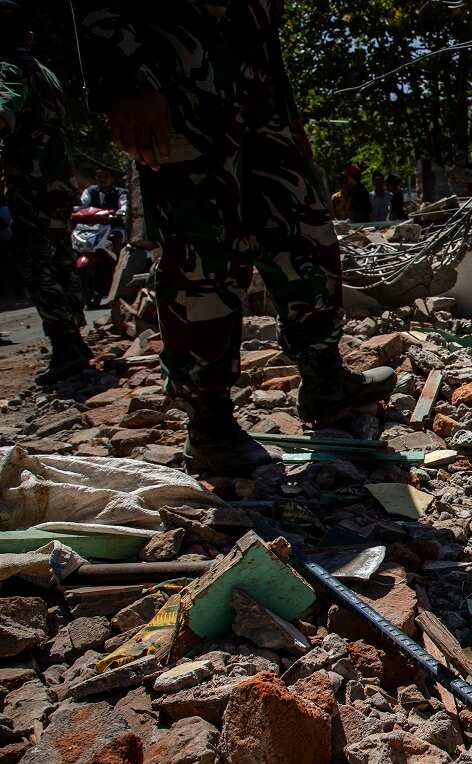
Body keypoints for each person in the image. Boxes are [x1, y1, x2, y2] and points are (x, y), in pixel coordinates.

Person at [79, 1, 396, 477]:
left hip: (258, 77)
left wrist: (287, 115)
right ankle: (209, 421)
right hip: (178, 75)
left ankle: (324, 377)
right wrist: (124, 79)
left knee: (304, 229)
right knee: (204, 248)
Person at [0, 0, 91, 385]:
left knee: (35, 260)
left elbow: (2, 113)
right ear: (30, 36)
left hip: (31, 182)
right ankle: (74, 338)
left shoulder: (7, 70)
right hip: (58, 181)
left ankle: (66, 344)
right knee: (60, 256)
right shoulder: (46, 73)